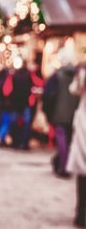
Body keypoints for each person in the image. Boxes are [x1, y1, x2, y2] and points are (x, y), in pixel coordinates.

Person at [43, 48, 79, 178]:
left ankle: (63, 167)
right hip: (74, 115)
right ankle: (64, 164)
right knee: (68, 142)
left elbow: (48, 96)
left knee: (62, 142)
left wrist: (48, 112)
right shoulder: (77, 76)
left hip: (59, 115)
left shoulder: (56, 77)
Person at [66, 65, 86, 228]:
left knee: (82, 172)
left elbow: (74, 89)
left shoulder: (82, 72)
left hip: (84, 124)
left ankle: (81, 212)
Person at [10, 62, 33, 150]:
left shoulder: (14, 75)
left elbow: (9, 90)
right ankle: (24, 142)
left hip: (15, 104)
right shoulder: (28, 75)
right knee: (26, 124)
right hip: (25, 103)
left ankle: (15, 141)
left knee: (15, 123)